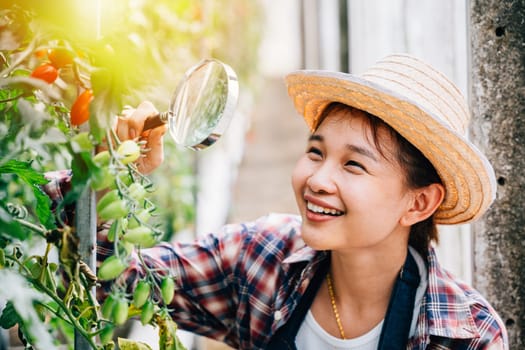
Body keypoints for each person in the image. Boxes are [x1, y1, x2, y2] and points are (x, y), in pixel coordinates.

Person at [49, 54, 509, 349]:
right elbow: (114, 281)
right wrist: (110, 170)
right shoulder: (261, 255)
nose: (317, 179)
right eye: (315, 152)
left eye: (354, 165)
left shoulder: (464, 334)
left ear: (419, 202)